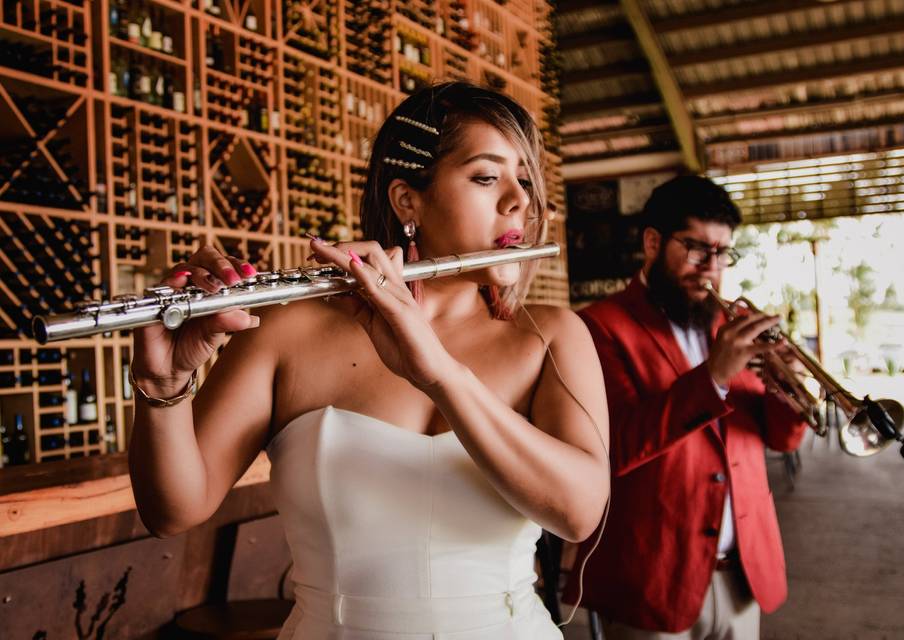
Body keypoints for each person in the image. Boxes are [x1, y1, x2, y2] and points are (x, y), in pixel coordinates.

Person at [128, 81, 609, 639]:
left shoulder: (553, 336)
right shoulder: (286, 330)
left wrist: (438, 372)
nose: (521, 203)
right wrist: (162, 382)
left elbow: (577, 513)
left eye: (525, 181)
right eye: (486, 177)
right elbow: (172, 513)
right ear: (408, 200)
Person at [562, 175, 808, 640]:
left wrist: (787, 389)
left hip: (742, 577)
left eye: (722, 253)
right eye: (696, 249)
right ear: (653, 243)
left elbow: (779, 439)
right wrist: (712, 376)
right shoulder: (597, 327)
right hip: (653, 581)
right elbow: (614, 448)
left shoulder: (731, 326)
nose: (711, 267)